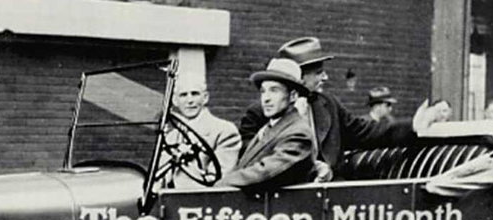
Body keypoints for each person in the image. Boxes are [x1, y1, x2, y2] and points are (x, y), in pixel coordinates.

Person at [238, 37, 439, 177]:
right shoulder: (260, 113)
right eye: (318, 72)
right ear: (296, 76)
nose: (325, 77)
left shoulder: (328, 105)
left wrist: (414, 126)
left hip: (332, 196)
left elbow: (365, 131)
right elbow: (252, 161)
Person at [217, 58, 321, 189]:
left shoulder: (298, 133)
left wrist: (222, 184)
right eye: (263, 91)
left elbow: (265, 171)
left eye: (274, 90)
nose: (266, 98)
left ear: (293, 96)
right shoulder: (270, 128)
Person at [163, 73, 242, 188]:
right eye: (183, 95)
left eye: (195, 94)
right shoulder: (171, 137)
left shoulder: (224, 131)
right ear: (175, 101)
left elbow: (217, 180)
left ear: (205, 97)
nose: (189, 100)